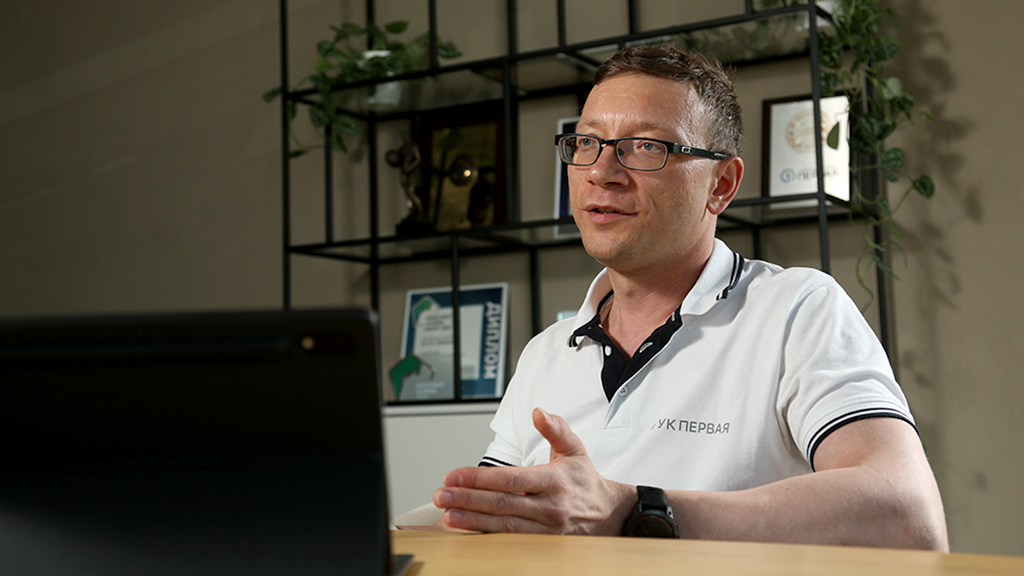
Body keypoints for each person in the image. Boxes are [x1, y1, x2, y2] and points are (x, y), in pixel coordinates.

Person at [416, 44, 948, 551]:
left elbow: (910, 518)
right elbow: (484, 523)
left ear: (721, 184)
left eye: (647, 147)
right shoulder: (545, 353)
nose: (601, 173)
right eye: (586, 143)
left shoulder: (797, 309)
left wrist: (633, 512)